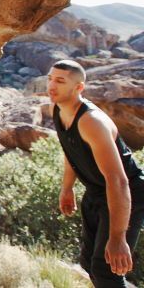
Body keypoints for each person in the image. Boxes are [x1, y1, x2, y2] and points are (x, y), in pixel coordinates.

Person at [49, 59, 144, 287]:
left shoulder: (91, 121)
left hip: (126, 193)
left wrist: (118, 236)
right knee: (89, 263)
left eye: (60, 81)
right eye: (50, 78)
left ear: (79, 87)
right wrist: (67, 187)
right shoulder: (59, 109)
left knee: (107, 269)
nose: (52, 85)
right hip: (97, 192)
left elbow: (118, 180)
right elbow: (71, 150)